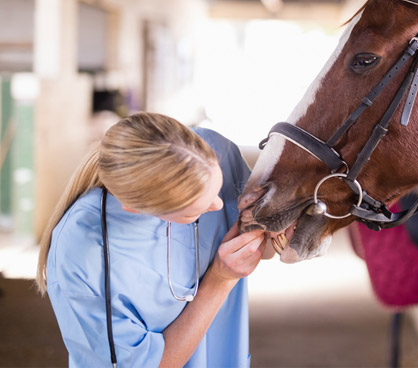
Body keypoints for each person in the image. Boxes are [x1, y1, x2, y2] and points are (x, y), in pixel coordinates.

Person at [36, 112, 266, 367]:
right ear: (136, 208)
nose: (220, 204)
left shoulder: (215, 150)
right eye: (194, 212)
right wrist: (220, 280)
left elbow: (267, 246)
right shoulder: (85, 252)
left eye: (218, 187)